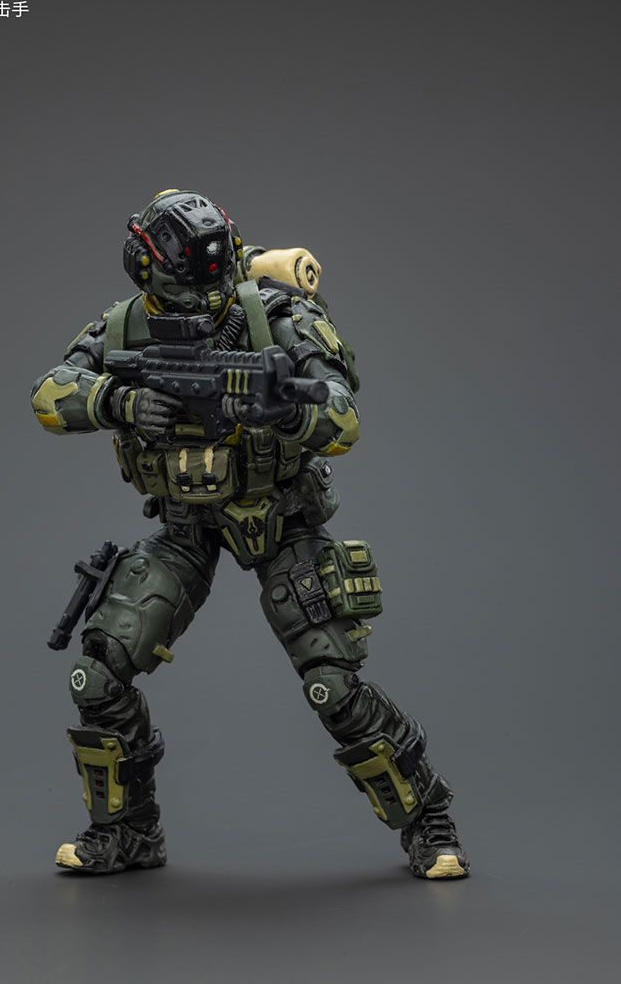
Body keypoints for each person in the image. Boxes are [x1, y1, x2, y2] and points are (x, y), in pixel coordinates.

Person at [31, 188, 469, 878]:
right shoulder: (124, 328)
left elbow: (343, 417)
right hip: (185, 527)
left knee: (331, 685)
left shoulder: (276, 315)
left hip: (279, 516)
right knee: (97, 671)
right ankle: (127, 833)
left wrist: (286, 413)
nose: (198, 312)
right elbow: (49, 393)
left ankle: (430, 820)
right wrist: (119, 401)